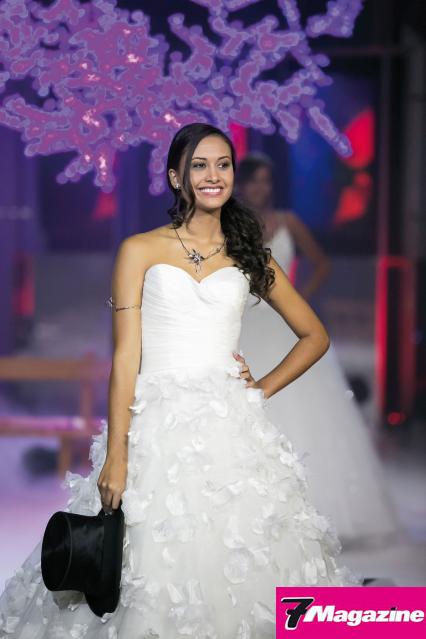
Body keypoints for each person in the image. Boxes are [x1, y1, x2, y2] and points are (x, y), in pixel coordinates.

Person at [0, 124, 362, 639]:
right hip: (155, 426)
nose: (214, 175)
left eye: (223, 164)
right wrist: (117, 455)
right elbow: (126, 356)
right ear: (176, 177)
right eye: (200, 165)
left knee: (240, 555)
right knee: (144, 565)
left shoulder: (250, 254)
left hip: (230, 430)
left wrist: (259, 389)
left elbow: (314, 336)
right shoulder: (140, 250)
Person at [236, 152, 400, 547]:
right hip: (246, 323)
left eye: (266, 180)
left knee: (302, 413)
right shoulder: (232, 225)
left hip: (286, 326)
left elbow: (321, 264)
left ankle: (309, 515)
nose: (260, 187)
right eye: (254, 180)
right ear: (241, 184)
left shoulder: (288, 222)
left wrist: (298, 300)